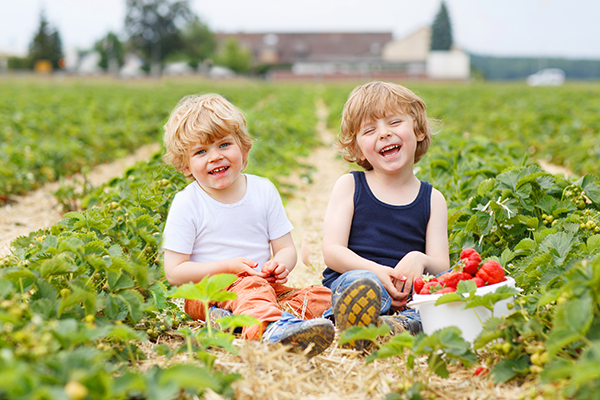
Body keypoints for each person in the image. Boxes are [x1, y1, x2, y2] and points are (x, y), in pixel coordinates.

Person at [162, 93, 334, 357]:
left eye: (224, 145)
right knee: (250, 289)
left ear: (243, 148)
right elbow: (174, 272)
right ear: (185, 165)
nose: (214, 157)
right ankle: (273, 331)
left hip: (264, 287)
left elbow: (286, 248)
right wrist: (228, 268)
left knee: (321, 296)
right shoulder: (187, 203)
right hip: (207, 291)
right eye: (200, 152)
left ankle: (234, 320)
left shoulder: (262, 190)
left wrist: (280, 265)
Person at [321, 81, 450, 346]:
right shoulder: (350, 186)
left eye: (394, 122)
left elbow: (442, 266)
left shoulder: (433, 199)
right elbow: (333, 252)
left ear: (419, 131)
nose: (384, 134)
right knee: (360, 285)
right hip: (358, 277)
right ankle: (356, 320)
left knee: (439, 299)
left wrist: (419, 259)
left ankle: (390, 325)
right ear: (356, 148)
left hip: (408, 290)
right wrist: (377, 272)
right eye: (369, 130)